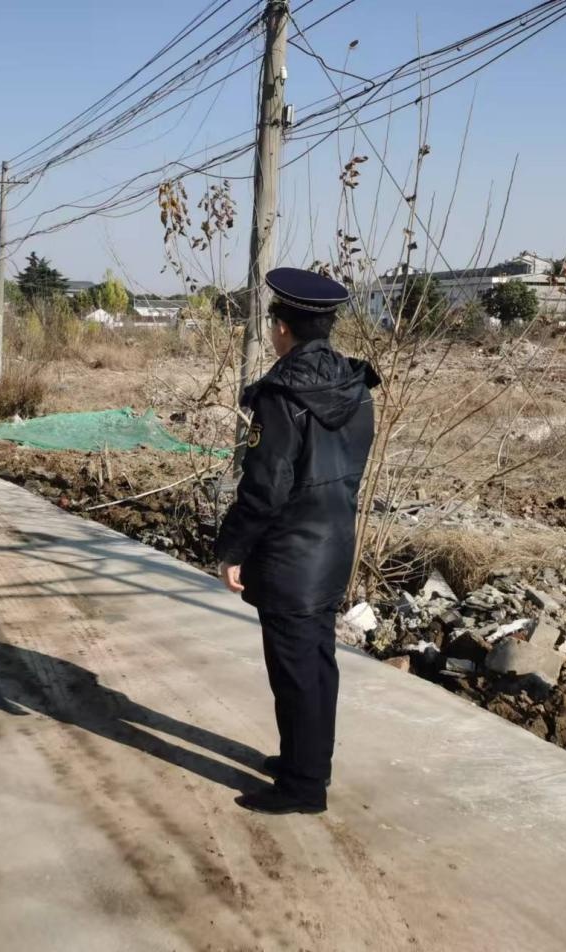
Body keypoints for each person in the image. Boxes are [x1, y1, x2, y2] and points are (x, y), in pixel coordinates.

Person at [215, 267, 378, 815]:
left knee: (295, 671)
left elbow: (265, 487)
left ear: (282, 328)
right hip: (333, 543)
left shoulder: (282, 395)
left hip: (290, 555)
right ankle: (305, 761)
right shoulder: (355, 384)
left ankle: (304, 787)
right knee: (316, 665)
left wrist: (232, 549)